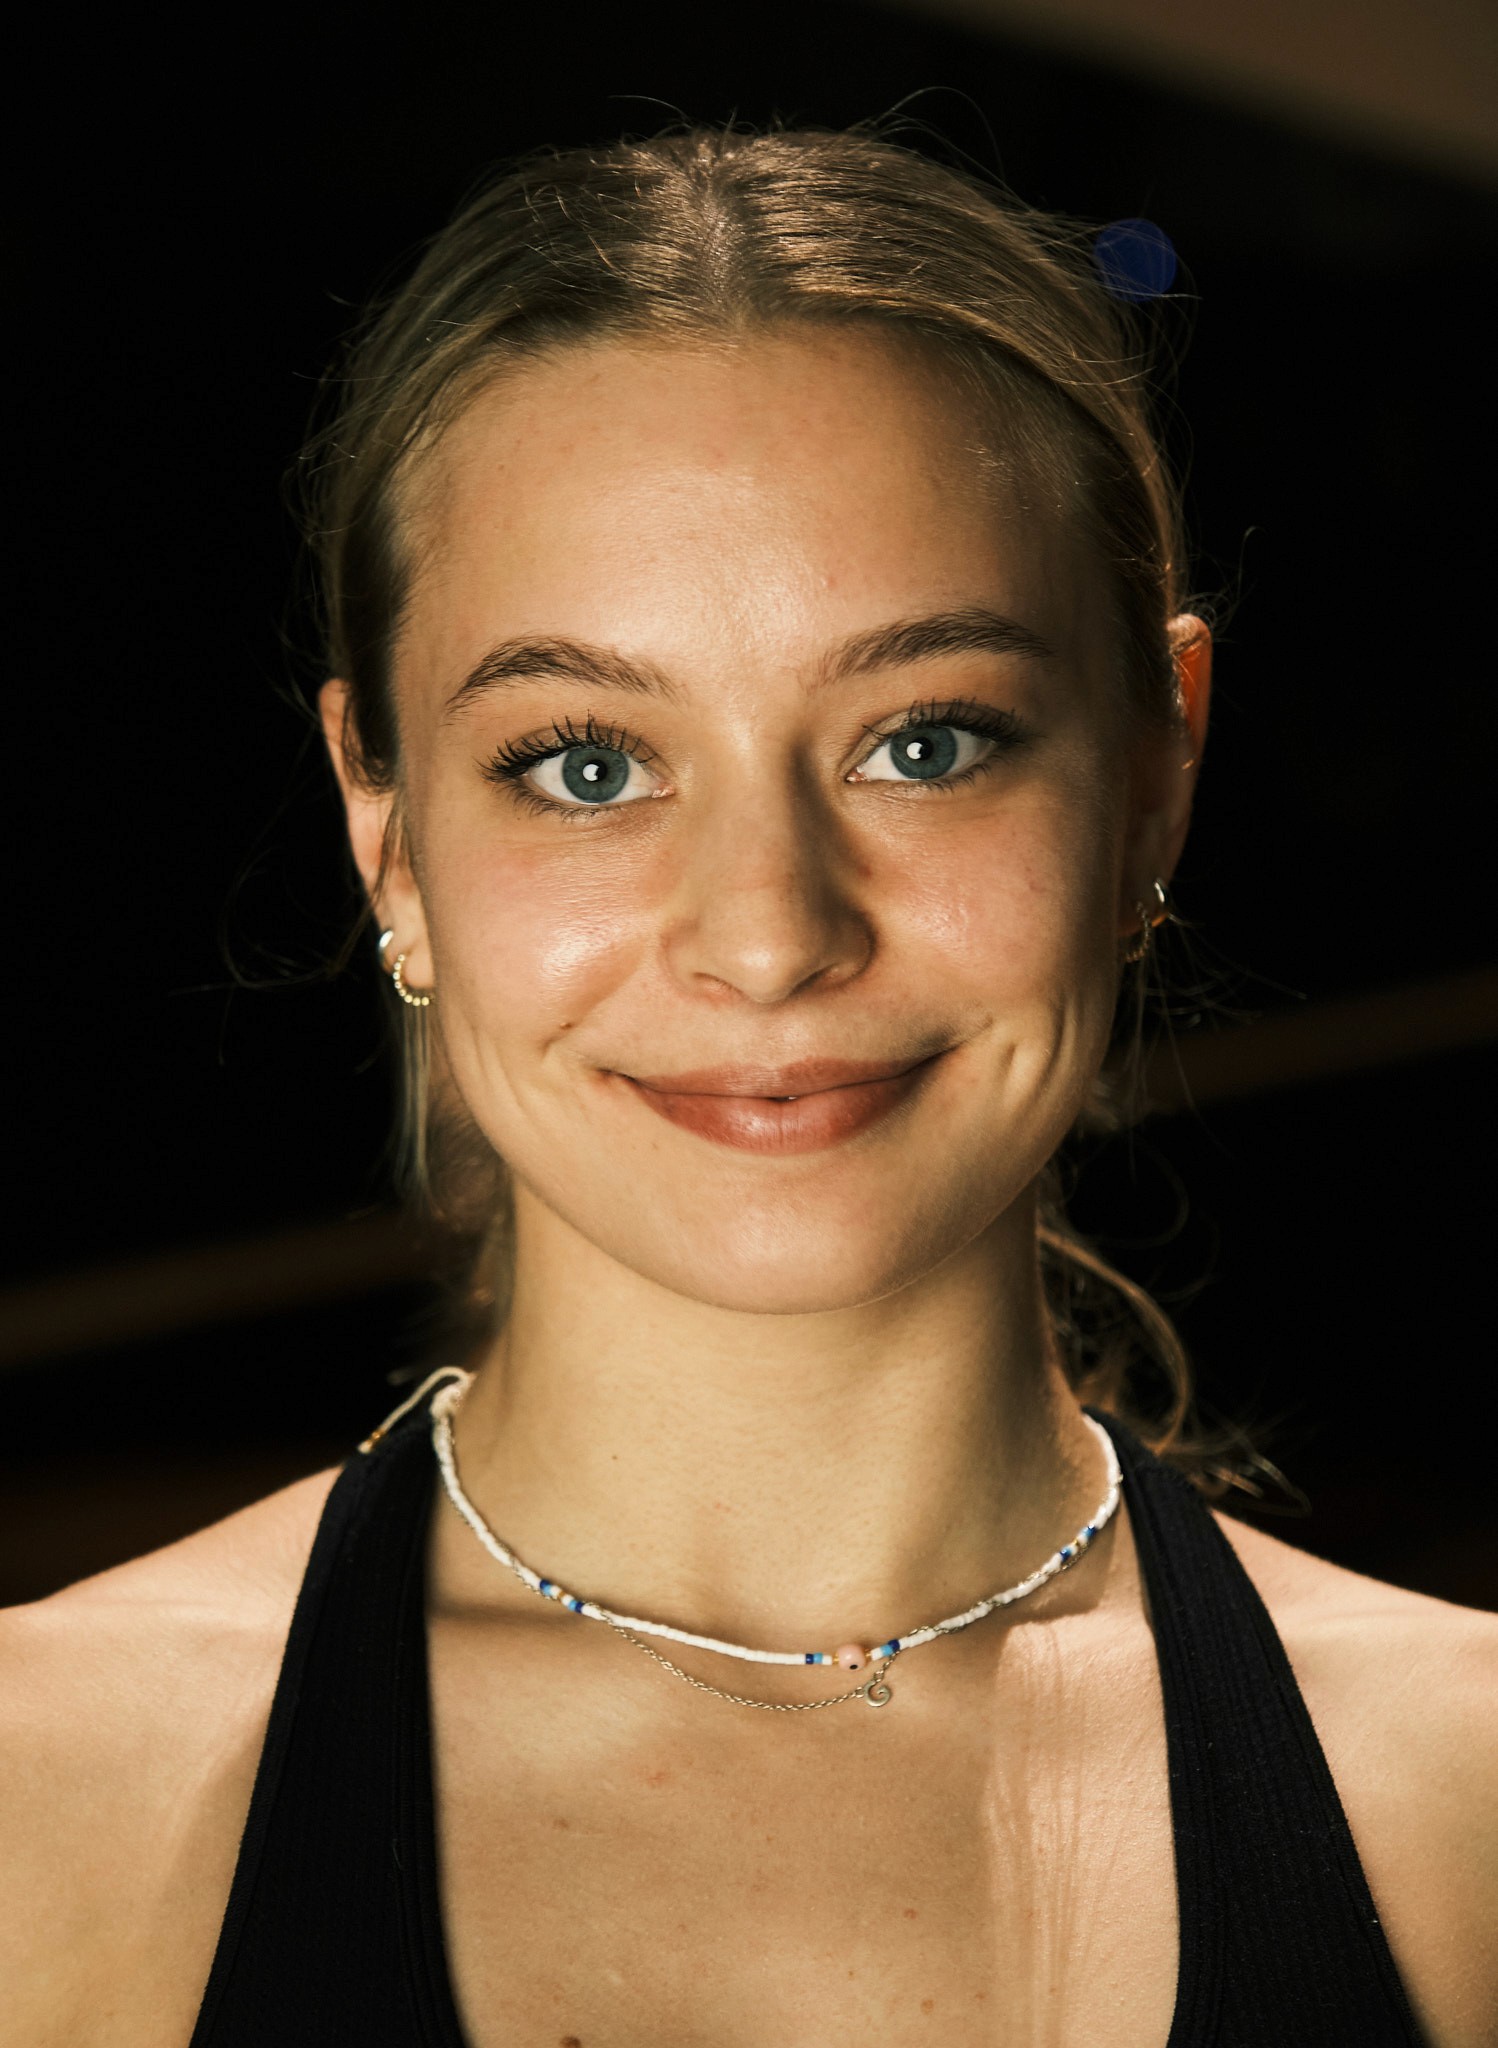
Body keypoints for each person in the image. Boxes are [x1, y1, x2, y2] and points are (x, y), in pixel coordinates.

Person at [3, 124, 1494, 2048]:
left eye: (925, 739)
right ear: (384, 831)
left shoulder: (1464, 1808)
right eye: (586, 764)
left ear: (1154, 765)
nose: (771, 934)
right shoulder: (44, 1806)